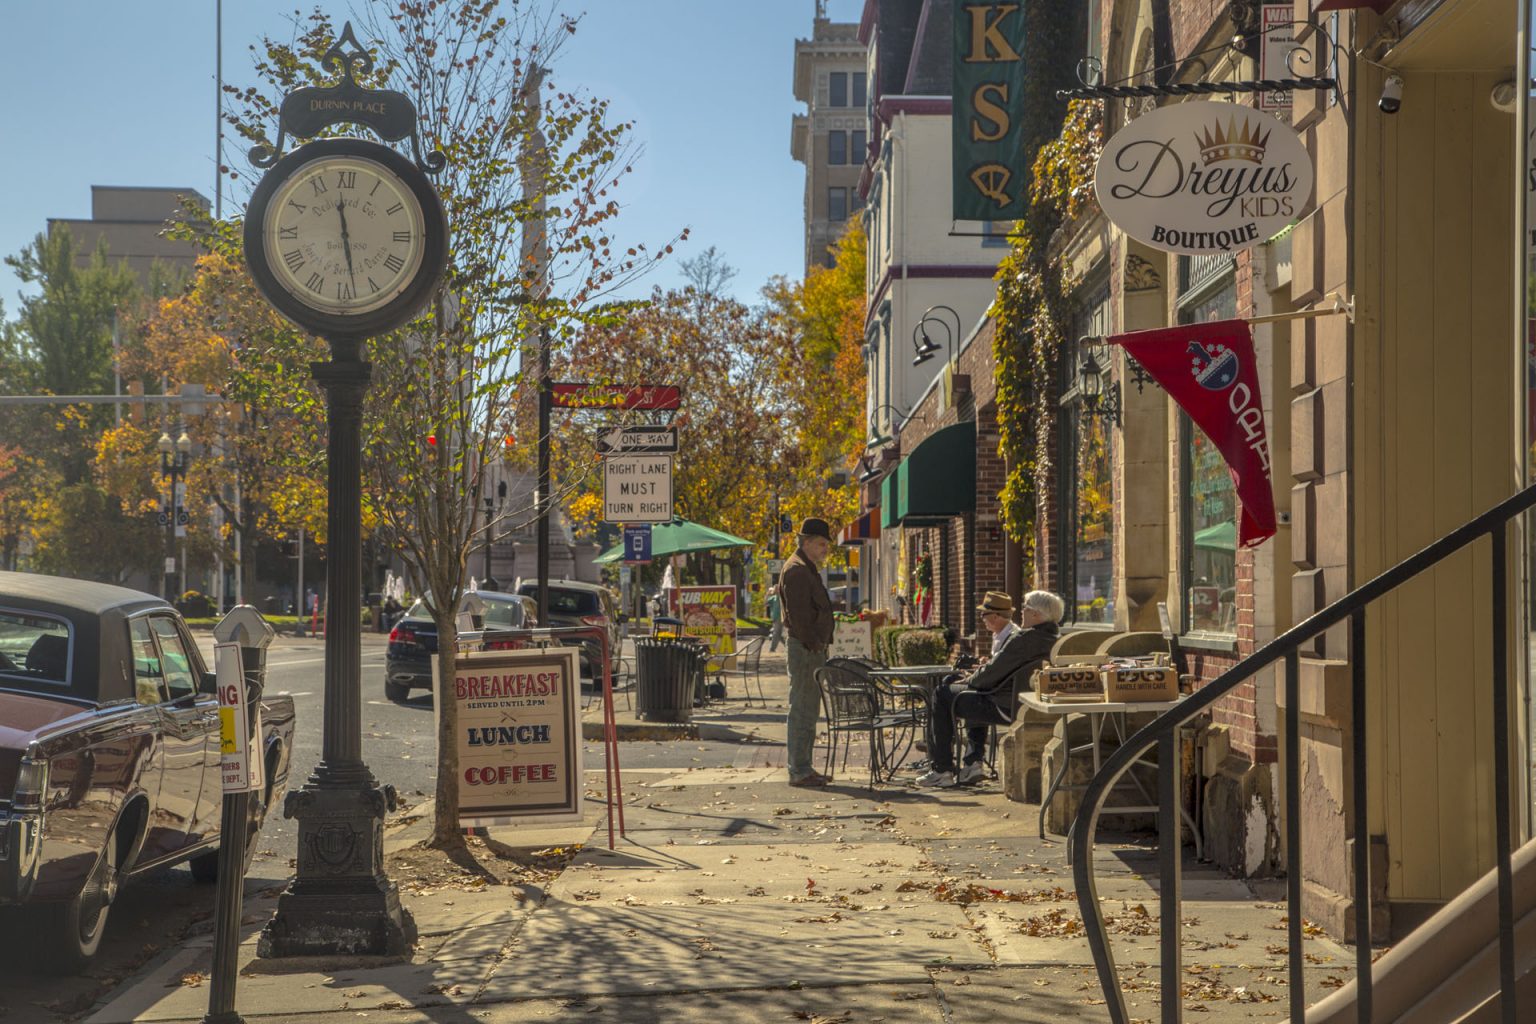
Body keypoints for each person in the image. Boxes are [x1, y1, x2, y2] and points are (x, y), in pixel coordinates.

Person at [917, 590, 1063, 788]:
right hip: (1028, 704)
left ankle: (942, 770)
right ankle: (972, 763)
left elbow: (989, 674)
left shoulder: (1024, 639)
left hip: (1005, 706)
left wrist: (970, 678)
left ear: (1036, 614)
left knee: (942, 694)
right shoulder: (1057, 639)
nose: (1021, 612)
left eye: (1025, 608)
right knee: (964, 691)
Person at [779, 517, 835, 787]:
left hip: (809, 647)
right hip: (804, 649)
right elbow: (799, 617)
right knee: (803, 709)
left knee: (809, 709)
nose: (826, 549)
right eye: (822, 544)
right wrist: (814, 644)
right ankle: (799, 770)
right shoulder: (797, 571)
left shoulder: (804, 568)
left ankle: (804, 767)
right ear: (807, 542)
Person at [766, 584, 784, 652]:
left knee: (776, 633)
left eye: (777, 589)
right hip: (775, 618)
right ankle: (787, 646)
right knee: (778, 633)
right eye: (775, 589)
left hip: (781, 617)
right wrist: (768, 593)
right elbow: (766, 603)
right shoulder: (773, 598)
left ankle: (772, 648)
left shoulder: (782, 597)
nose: (776, 590)